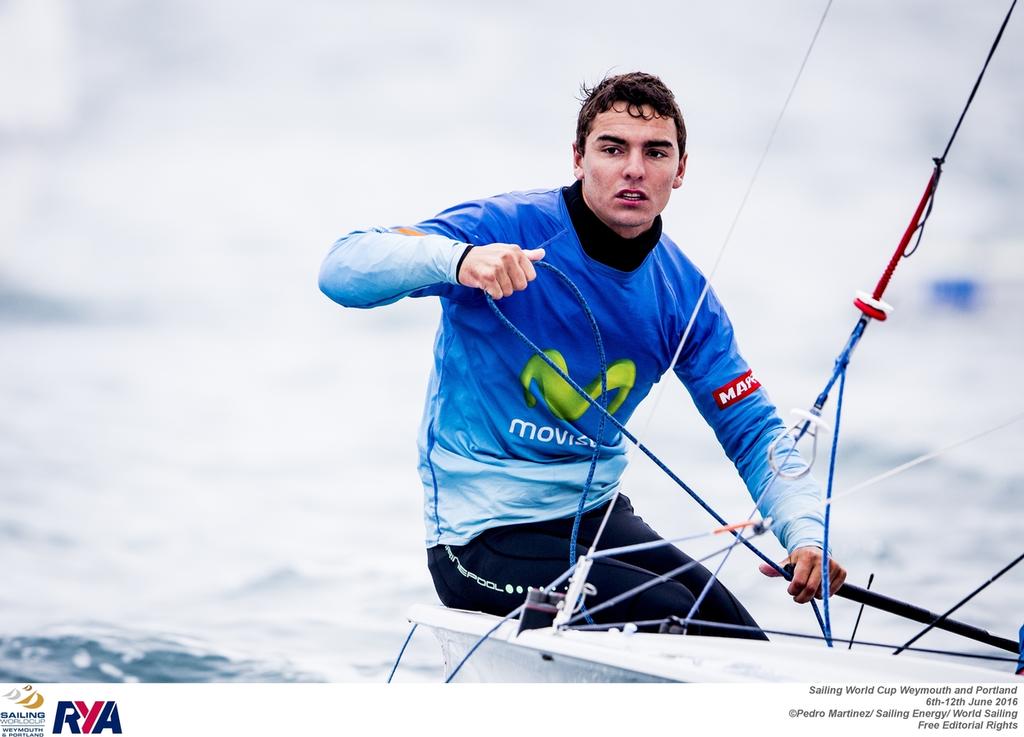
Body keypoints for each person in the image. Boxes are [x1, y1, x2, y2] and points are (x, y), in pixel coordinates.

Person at [319, 72, 846, 638]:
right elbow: (341, 268)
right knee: (668, 611)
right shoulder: (506, 228)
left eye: (655, 152)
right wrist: (457, 260)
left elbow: (753, 428)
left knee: (733, 629)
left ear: (681, 169)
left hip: (596, 519)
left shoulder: (682, 296)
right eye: (613, 149)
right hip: (479, 535)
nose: (634, 169)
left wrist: (805, 532)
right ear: (579, 158)